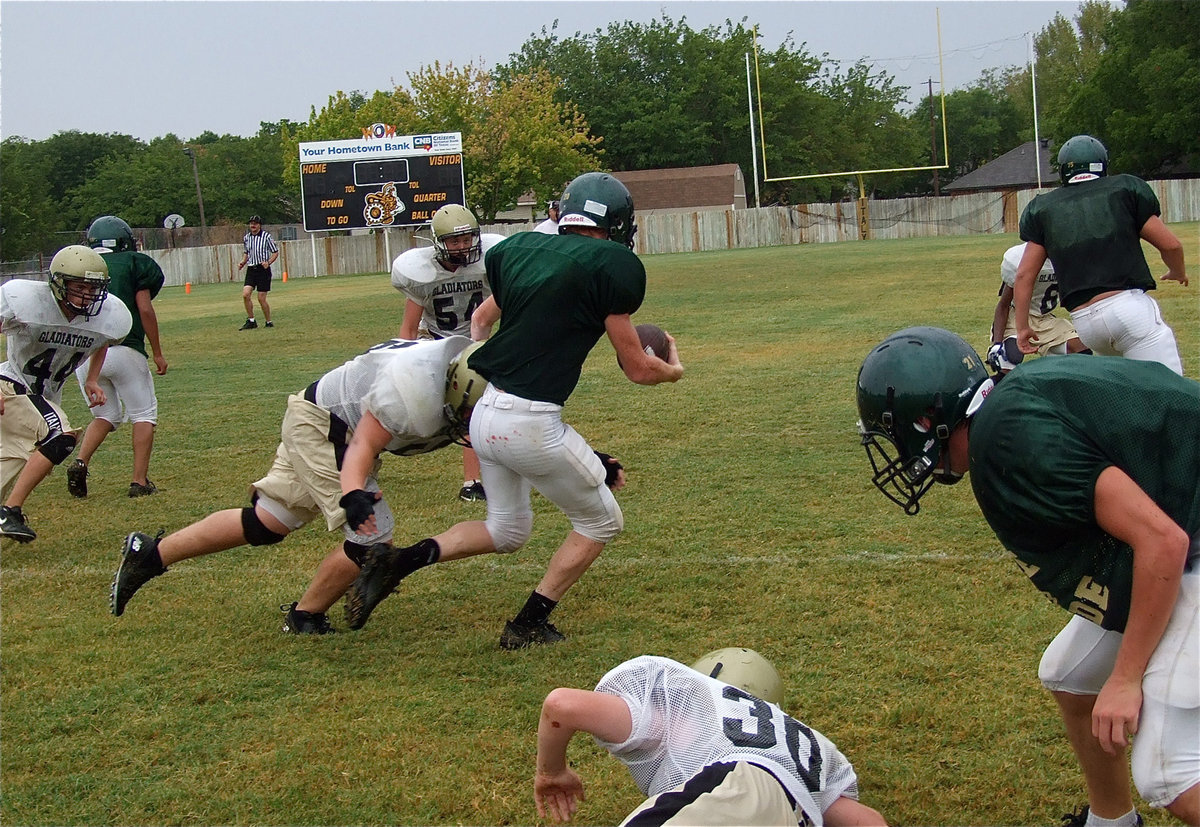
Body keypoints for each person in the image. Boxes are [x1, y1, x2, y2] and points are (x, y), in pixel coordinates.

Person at [855, 326, 1199, 826]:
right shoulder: (1010, 406)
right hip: (1182, 524)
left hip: (1186, 537)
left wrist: (1126, 678)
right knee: (1071, 675)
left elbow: (1163, 543)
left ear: (927, 420)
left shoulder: (1009, 439)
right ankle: (1112, 822)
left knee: (1169, 773)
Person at [345, 171, 684, 649]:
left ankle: (401, 560)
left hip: (483, 415)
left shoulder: (521, 249)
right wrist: (673, 367)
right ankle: (527, 625)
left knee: (507, 529)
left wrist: (478, 377)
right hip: (528, 422)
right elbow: (638, 370)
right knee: (602, 521)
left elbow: (480, 319)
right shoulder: (609, 263)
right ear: (617, 223)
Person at [109, 336, 486, 633]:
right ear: (453, 388)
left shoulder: (469, 378)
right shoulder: (415, 394)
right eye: (472, 411)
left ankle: (151, 554)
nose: (478, 420)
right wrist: (353, 492)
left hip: (323, 415)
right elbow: (364, 446)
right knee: (372, 540)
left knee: (268, 521)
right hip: (327, 427)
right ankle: (306, 615)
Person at [534, 647, 887, 826]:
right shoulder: (805, 748)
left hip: (736, 786)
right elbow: (866, 820)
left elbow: (561, 705)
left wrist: (551, 773)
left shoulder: (680, 711)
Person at [1013, 135, 1187, 374]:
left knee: (1128, 390)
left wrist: (1022, 327)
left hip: (1086, 325)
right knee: (1171, 390)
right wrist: (1177, 271)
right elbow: (1171, 246)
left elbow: (1023, 275)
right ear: (1102, 164)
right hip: (1129, 310)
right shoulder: (1125, 188)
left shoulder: (1042, 208)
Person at [1, 246, 132, 542]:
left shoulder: (105, 318)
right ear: (59, 284)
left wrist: (92, 379)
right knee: (60, 437)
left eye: (93, 288)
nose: (87, 295)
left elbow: (101, 341)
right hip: (11, 384)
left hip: (41, 396)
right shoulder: (28, 302)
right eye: (79, 287)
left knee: (14, 460)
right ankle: (11, 510)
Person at [390, 203, 505, 502]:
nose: (463, 246)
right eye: (455, 240)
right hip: (438, 346)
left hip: (480, 344)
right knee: (416, 418)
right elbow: (409, 327)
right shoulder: (422, 274)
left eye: (467, 239)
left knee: (478, 409)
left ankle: (473, 481)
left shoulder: (487, 265)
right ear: (438, 242)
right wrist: (405, 361)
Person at [66, 215, 168, 499]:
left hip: (84, 355)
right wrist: (157, 352)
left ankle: (80, 462)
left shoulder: (79, 265)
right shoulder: (135, 263)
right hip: (124, 348)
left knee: (106, 415)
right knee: (143, 414)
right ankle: (139, 481)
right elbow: (145, 309)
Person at [987, 241, 1088, 374]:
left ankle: (1061, 387)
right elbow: (1003, 305)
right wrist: (997, 343)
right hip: (1016, 318)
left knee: (1082, 351)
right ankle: (991, 391)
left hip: (1044, 319)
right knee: (1009, 360)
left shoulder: (1067, 259)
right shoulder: (1021, 259)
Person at [237, 215, 279, 330]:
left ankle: (268, 321)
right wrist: (242, 262)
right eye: (251, 223)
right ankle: (251, 320)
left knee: (261, 298)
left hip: (263, 270)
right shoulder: (247, 238)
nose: (253, 225)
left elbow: (275, 252)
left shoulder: (266, 237)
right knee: (246, 294)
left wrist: (268, 262)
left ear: (259, 225)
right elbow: (247, 252)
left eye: (255, 223)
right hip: (251, 268)